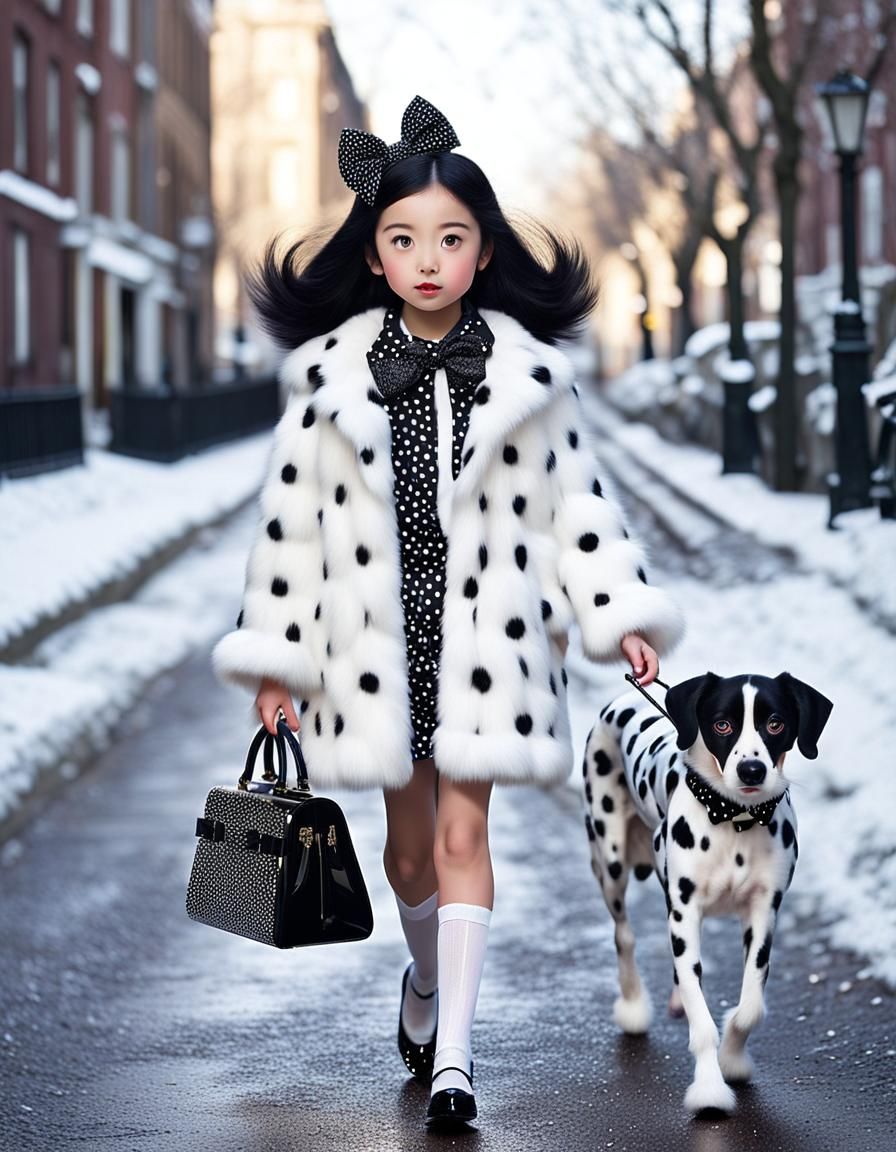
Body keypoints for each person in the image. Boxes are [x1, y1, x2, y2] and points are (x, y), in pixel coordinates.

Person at [211, 95, 685, 1131]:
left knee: (469, 834)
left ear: (484, 249)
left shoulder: (530, 380)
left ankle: (455, 1061)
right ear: (373, 255)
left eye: (451, 238)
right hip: (371, 648)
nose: (427, 259)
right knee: (409, 854)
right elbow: (289, 528)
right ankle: (423, 979)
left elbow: (578, 508)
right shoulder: (329, 382)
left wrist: (618, 612)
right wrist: (274, 661)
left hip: (490, 641)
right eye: (403, 239)